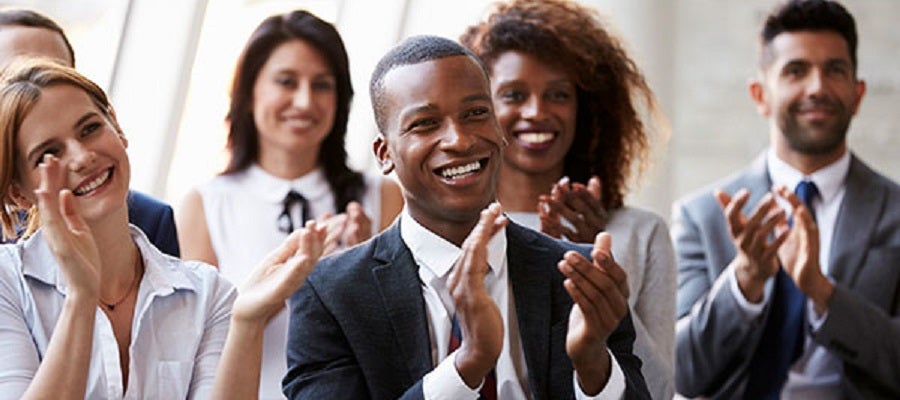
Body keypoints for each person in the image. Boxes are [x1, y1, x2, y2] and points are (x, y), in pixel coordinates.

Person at [283, 35, 649, 399]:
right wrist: (468, 365)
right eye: (425, 123)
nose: (458, 140)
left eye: (475, 114)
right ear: (384, 153)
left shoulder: (579, 278)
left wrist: (593, 368)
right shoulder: (331, 293)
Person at [0, 59, 327, 399]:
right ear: (18, 193)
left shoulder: (207, 294)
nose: (82, 157)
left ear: (117, 126)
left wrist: (247, 322)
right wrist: (81, 297)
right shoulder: (8, 283)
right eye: (48, 155)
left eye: (90, 128)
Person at [672, 1, 900, 398]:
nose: (817, 87)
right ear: (760, 94)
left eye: (835, 70)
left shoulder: (895, 212)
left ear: (858, 93)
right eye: (796, 71)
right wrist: (744, 282)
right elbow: (680, 374)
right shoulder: (701, 216)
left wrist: (821, 291)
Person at [176, 10, 403, 399]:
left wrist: (363, 270)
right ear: (249, 92)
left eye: (321, 85)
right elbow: (193, 349)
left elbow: (406, 338)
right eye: (286, 81)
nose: (304, 101)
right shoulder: (206, 205)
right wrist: (293, 282)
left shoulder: (383, 196)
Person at [460, 1, 675, 397]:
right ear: (480, 110)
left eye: (558, 94)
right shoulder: (457, 232)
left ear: (586, 109)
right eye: (513, 95)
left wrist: (598, 268)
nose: (537, 111)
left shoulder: (641, 233)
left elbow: (659, 391)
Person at [0, 8, 180, 257]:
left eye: (53, 72)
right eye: (13, 79)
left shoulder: (151, 220)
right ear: (17, 193)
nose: (37, 84)